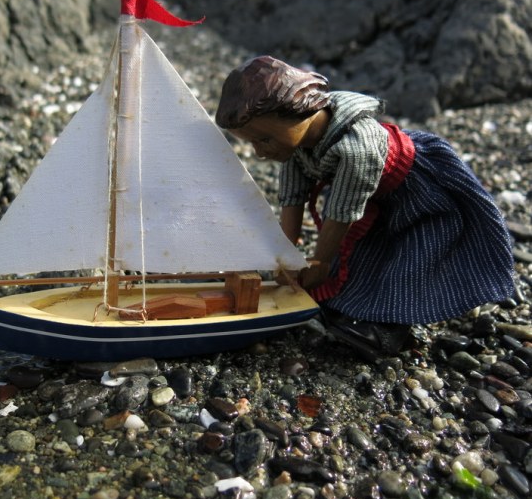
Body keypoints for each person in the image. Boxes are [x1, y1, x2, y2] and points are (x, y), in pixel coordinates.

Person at [215, 56, 515, 360]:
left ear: (296, 113)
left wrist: (320, 264)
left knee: (409, 261)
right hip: (375, 199)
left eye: (264, 139)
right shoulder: (295, 145)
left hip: (418, 195)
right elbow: (293, 198)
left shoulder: (357, 147)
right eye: (253, 143)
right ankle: (349, 304)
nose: (259, 152)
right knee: (363, 254)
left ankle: (388, 329)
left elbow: (341, 213)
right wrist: (285, 256)